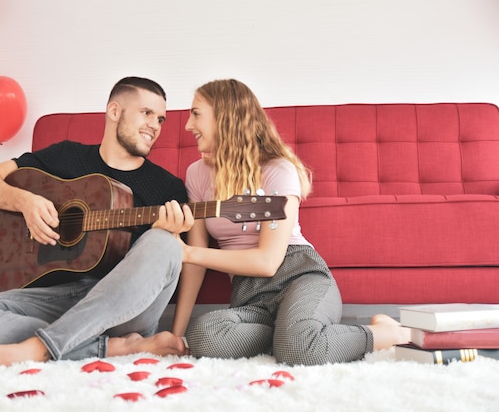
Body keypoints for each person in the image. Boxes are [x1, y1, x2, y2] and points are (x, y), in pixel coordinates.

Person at [0, 76, 193, 369]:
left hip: (122, 310)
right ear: (114, 111)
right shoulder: (66, 156)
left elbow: (167, 265)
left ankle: (36, 349)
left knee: (164, 243)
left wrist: (171, 238)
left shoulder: (167, 189)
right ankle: (115, 349)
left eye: (161, 119)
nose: (155, 125)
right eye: (147, 113)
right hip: (57, 300)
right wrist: (26, 202)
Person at [172, 79, 410, 366]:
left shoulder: (277, 170)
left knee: (299, 349)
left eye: (196, 113)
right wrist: (176, 334)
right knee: (203, 334)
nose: (188, 125)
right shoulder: (197, 174)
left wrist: (185, 251)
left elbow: (268, 262)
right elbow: (194, 264)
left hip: (298, 275)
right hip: (249, 295)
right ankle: (292, 334)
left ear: (225, 115)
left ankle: (386, 333)